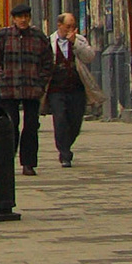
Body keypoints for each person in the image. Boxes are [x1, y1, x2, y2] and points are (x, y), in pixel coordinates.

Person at [0, 4, 53, 174]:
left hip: (32, 88)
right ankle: (7, 160)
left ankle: (28, 163)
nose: (23, 20)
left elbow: (48, 62)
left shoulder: (38, 36)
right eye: (19, 17)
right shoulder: (4, 36)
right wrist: (1, 78)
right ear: (13, 19)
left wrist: (40, 82)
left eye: (26, 17)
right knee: (10, 124)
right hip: (9, 89)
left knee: (31, 126)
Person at [46, 13, 98, 167]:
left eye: (73, 26)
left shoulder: (79, 40)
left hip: (76, 88)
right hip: (56, 88)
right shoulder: (49, 42)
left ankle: (67, 143)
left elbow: (89, 57)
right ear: (59, 25)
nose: (70, 29)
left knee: (75, 121)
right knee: (60, 118)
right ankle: (64, 153)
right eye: (67, 26)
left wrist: (75, 43)